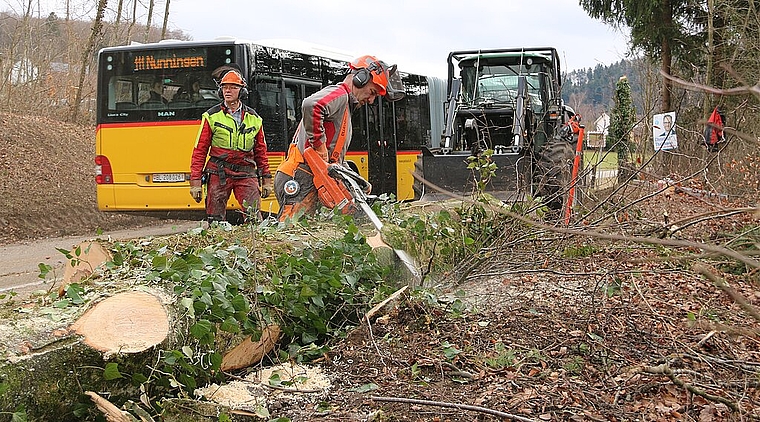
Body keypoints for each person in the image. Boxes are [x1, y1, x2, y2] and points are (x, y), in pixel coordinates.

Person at [274, 55, 404, 221]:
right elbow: (311, 105)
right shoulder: (339, 95)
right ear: (360, 79)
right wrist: (319, 145)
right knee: (291, 233)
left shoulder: (345, 108)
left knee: (306, 231)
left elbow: (334, 158)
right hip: (300, 174)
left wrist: (356, 182)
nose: (371, 100)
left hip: (309, 175)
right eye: (372, 92)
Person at [189, 69, 273, 222]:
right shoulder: (211, 116)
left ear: (242, 91)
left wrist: (266, 179)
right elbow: (199, 150)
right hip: (218, 172)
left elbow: (261, 152)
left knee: (254, 217)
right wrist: (195, 182)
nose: (228, 91)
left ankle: (254, 243)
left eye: (233, 87)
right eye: (224, 87)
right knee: (215, 219)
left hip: (246, 171)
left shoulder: (255, 119)